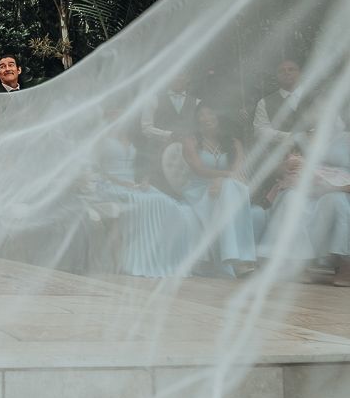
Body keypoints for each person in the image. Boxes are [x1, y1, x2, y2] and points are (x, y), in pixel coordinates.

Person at [93, 104, 194, 277]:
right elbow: (96, 166)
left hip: (133, 184)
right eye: (116, 113)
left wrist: (144, 181)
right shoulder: (102, 137)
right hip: (108, 184)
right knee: (138, 200)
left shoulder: (132, 137)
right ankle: (133, 261)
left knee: (166, 202)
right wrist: (118, 181)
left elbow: (142, 165)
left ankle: (161, 260)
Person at [258, 102, 350, 286]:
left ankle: (346, 268)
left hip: (338, 187)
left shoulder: (346, 138)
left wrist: (336, 186)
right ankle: (298, 266)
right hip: (304, 188)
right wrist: (285, 165)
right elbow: (272, 165)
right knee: (293, 199)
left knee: (337, 200)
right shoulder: (296, 138)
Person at [181, 102, 265, 277]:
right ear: (197, 119)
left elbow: (237, 172)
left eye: (210, 112)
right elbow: (199, 170)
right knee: (231, 184)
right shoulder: (191, 141)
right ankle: (237, 258)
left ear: (219, 116)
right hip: (198, 191)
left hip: (224, 189)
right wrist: (224, 176)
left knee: (231, 185)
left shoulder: (234, 142)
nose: (206, 117)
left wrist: (221, 178)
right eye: (202, 114)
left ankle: (233, 256)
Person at [253, 58, 303, 147]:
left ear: (300, 73)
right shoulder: (264, 103)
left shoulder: (317, 97)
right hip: (282, 156)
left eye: (291, 69)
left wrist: (308, 135)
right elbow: (260, 131)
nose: (286, 73)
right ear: (276, 76)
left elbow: (333, 123)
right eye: (281, 71)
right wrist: (288, 136)